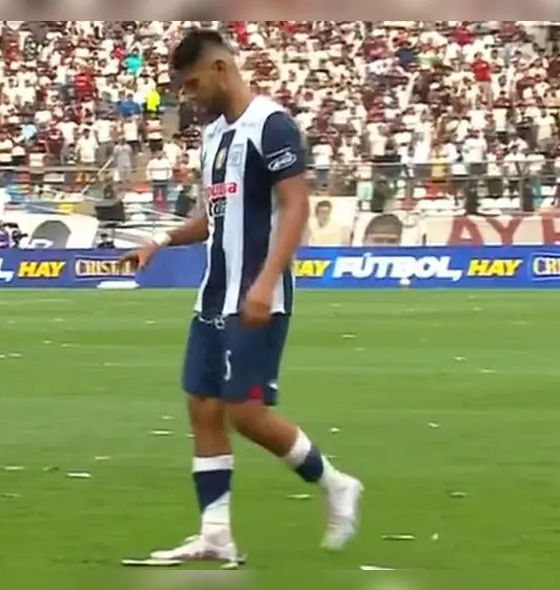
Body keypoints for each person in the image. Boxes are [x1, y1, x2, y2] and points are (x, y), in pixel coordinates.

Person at [119, 29, 362, 565]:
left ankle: (336, 484)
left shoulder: (271, 126)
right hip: (214, 295)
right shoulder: (213, 136)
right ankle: (215, 534)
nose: (189, 97)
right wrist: (160, 241)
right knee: (203, 407)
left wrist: (267, 281)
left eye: (192, 84)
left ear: (220, 69)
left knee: (246, 414)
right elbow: (213, 216)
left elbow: (295, 205)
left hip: (257, 294)